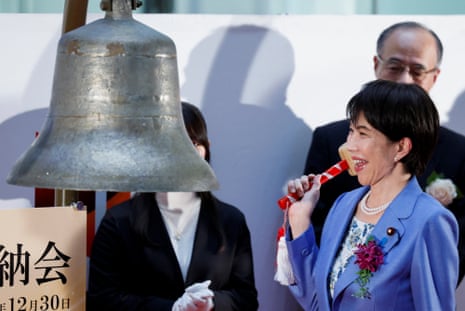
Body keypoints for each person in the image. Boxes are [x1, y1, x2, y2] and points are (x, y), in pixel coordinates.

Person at [303, 21, 465, 285]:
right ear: (376, 64)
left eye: (417, 71)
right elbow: (317, 221)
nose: (404, 79)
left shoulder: (458, 151)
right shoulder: (331, 139)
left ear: (434, 76)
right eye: (395, 67)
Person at [285, 80, 458, 310]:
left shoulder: (430, 221)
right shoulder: (344, 204)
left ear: (401, 148)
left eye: (363, 134)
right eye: (351, 131)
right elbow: (317, 301)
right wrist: (299, 220)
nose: (349, 145)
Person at [87, 101, 259, 310]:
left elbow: (246, 298)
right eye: (174, 144)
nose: (185, 154)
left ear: (206, 149)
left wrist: (211, 303)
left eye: (194, 144)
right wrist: (172, 308)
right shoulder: (119, 221)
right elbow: (103, 299)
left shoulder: (231, 221)